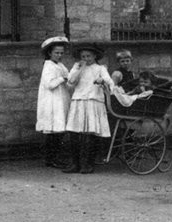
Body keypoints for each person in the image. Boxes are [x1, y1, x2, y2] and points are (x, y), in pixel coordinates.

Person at [64, 43, 114, 174]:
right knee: (74, 132)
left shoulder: (100, 68)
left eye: (88, 56)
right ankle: (74, 164)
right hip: (79, 101)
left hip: (93, 101)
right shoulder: (77, 67)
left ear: (95, 56)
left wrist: (102, 80)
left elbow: (110, 82)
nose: (86, 58)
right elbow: (70, 82)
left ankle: (87, 164)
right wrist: (79, 69)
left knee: (89, 134)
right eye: (83, 56)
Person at [36, 36, 71, 168]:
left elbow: (68, 77)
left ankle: (55, 157)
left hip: (60, 100)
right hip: (52, 102)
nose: (59, 55)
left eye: (61, 53)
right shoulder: (48, 66)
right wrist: (63, 78)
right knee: (53, 132)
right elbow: (49, 84)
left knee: (59, 132)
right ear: (50, 53)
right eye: (56, 53)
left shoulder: (60, 65)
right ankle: (51, 158)